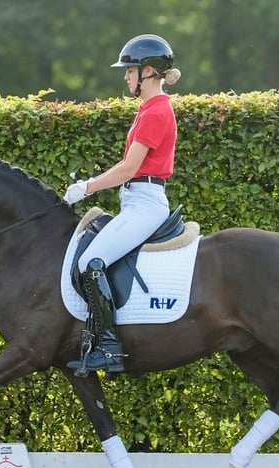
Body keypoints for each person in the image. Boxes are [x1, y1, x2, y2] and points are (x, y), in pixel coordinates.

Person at [64, 34, 182, 374]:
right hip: (136, 200)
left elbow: (129, 168)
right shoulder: (150, 109)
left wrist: (86, 187)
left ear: (147, 71)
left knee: (91, 261)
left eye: (129, 71)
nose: (125, 77)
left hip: (144, 203)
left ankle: (110, 347)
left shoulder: (156, 111)